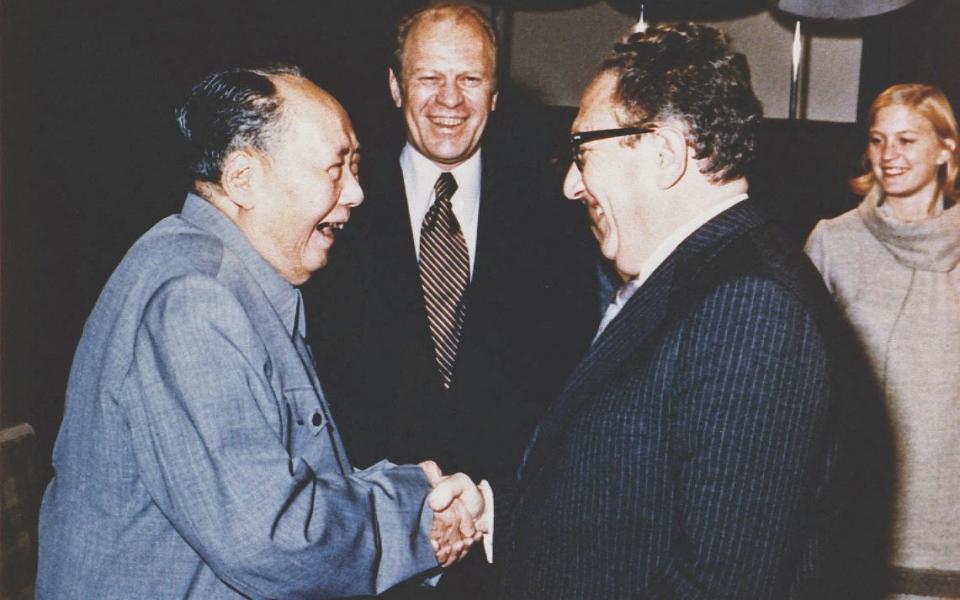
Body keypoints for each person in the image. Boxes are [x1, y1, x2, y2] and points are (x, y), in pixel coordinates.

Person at [36, 65, 489, 599]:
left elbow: (291, 485)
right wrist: (418, 516)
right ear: (243, 179)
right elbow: (271, 537)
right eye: (335, 169)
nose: (358, 193)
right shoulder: (195, 301)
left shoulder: (229, 281)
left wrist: (419, 500)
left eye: (357, 166)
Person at [497, 22, 889, 599]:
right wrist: (495, 511)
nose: (570, 187)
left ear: (661, 155)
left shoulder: (751, 308)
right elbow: (631, 506)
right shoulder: (695, 279)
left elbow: (715, 585)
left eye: (582, 151)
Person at [302, 5, 598, 597]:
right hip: (360, 554)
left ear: (495, 93)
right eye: (428, 77)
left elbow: (566, 385)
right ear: (394, 86)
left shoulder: (556, 213)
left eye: (470, 79)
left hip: (503, 558)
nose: (450, 100)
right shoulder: (331, 209)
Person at [805, 83, 960, 599]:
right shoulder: (833, 242)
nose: (888, 155)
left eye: (907, 140)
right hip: (858, 518)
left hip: (947, 524)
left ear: (946, 148)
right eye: (877, 140)